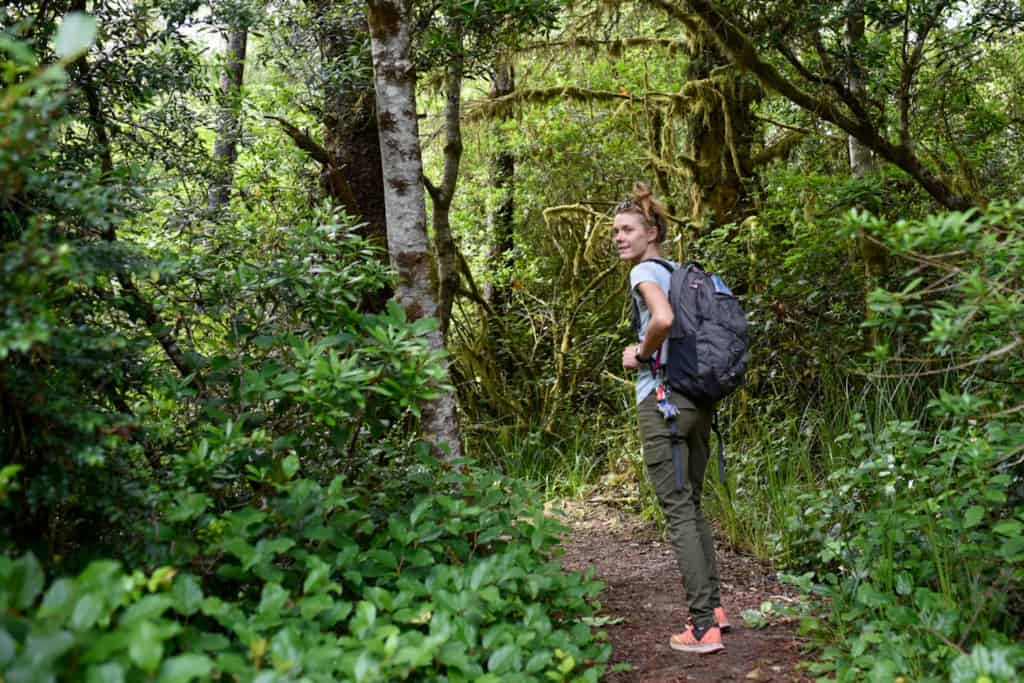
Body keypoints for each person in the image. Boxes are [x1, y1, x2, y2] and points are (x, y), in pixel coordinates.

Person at [613, 182, 730, 654]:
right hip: (699, 401)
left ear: (651, 232)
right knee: (693, 505)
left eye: (627, 229)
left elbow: (660, 320)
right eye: (615, 232)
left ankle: (704, 628)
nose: (619, 238)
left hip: (662, 401)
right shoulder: (680, 272)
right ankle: (716, 609)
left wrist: (640, 355)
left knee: (678, 509)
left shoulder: (645, 271)